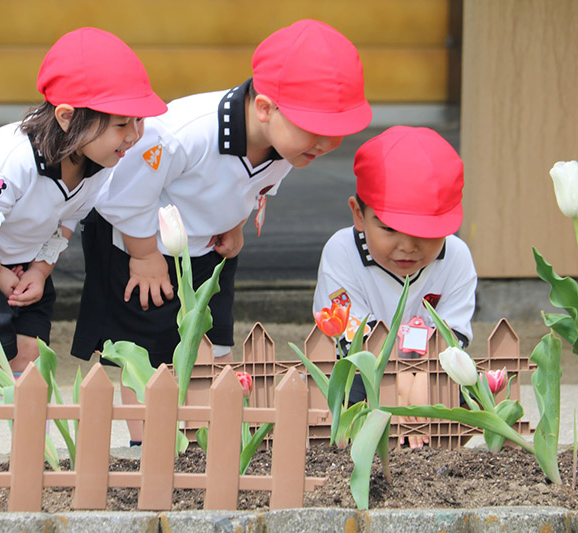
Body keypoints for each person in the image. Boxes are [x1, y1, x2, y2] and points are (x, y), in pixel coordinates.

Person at [71, 19, 372, 444]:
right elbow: (121, 195)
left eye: (336, 134)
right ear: (265, 108)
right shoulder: (182, 134)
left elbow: (254, 185)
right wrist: (143, 255)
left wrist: (235, 224)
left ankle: (199, 439)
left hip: (208, 248)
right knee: (146, 350)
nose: (324, 145)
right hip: (140, 245)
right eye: (316, 131)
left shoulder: (290, 146)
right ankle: (145, 443)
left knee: (213, 339)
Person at [0, 27, 166, 374]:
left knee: (29, 348)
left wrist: (41, 269)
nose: (134, 136)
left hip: (21, 248)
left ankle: (21, 425)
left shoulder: (101, 160)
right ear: (67, 117)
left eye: (139, 121)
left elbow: (66, 220)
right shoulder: (6, 167)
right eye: (122, 124)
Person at [313, 125, 477, 449]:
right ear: (358, 214)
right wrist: (399, 390)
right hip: (362, 374)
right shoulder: (342, 252)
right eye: (389, 228)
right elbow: (353, 337)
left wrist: (416, 385)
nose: (408, 246)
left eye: (427, 231)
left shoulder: (456, 257)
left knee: (471, 393)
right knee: (336, 397)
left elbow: (452, 338)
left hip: (432, 373)